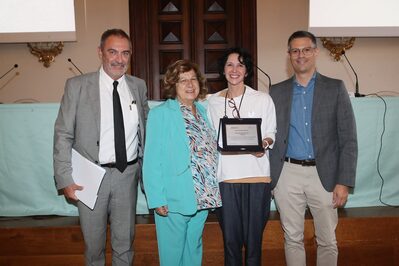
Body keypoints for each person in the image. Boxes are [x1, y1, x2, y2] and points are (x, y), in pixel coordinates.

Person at [53, 28, 149, 266]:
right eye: (113, 52)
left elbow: (146, 131)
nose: (119, 59)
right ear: (100, 53)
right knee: (94, 247)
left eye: (125, 53)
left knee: (124, 244)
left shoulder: (138, 86)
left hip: (127, 175)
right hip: (90, 177)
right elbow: (63, 134)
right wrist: (64, 178)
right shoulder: (77, 86)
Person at [269, 30, 358, 266]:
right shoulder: (275, 92)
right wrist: (271, 179)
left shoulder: (335, 88)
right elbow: (269, 136)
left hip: (325, 175)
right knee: (292, 239)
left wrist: (344, 181)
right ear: (289, 55)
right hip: (287, 175)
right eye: (295, 50)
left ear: (315, 52)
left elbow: (348, 138)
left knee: (328, 240)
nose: (301, 55)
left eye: (306, 49)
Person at [143, 59, 222, 266]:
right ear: (173, 86)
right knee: (172, 256)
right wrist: (157, 197)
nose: (189, 84)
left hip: (203, 196)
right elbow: (151, 159)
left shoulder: (203, 112)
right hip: (174, 198)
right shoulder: (161, 113)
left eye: (193, 79)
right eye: (182, 80)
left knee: (193, 251)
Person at [207, 47, 277, 265]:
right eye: (229, 65)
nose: (234, 69)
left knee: (254, 242)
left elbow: (270, 134)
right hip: (226, 178)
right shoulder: (211, 102)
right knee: (230, 242)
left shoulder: (262, 99)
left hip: (257, 177)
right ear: (223, 70)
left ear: (247, 71)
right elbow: (209, 137)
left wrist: (262, 145)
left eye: (240, 65)